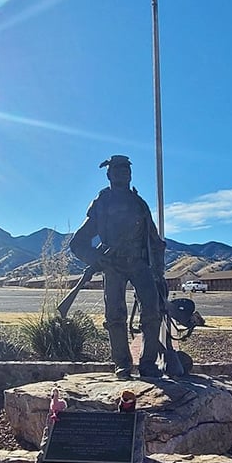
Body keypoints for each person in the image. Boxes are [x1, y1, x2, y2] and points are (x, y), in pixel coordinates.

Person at [69, 155, 166, 378]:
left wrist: (158, 272)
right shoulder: (102, 204)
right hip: (112, 266)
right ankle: (122, 364)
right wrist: (96, 258)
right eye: (119, 168)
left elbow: (155, 241)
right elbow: (78, 243)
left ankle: (148, 364)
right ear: (109, 174)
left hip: (141, 265)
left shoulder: (139, 204)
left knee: (153, 311)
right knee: (115, 315)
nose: (124, 172)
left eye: (127, 169)